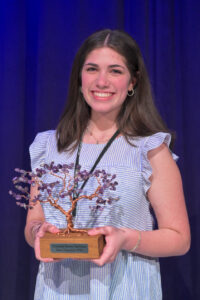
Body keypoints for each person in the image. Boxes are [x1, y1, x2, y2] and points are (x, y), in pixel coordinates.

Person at [25, 29, 190, 299]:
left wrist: (125, 238)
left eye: (115, 71)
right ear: (79, 78)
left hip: (126, 289)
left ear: (132, 82)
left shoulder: (149, 149)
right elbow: (34, 222)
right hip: (55, 291)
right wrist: (38, 233)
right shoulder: (48, 147)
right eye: (92, 69)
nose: (102, 81)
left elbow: (179, 238)